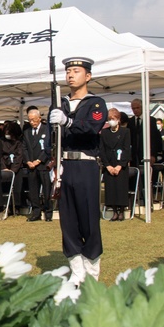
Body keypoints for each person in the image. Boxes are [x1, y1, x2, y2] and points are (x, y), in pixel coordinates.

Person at [48, 56, 107, 283]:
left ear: (88, 76)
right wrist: (52, 162)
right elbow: (51, 136)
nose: (71, 75)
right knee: (68, 219)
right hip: (64, 165)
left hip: (86, 165)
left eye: (76, 71)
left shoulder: (96, 103)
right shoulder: (59, 103)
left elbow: (93, 128)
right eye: (68, 71)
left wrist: (69, 122)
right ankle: (76, 269)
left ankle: (92, 269)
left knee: (89, 218)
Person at [99, 108, 132, 221]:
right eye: (109, 119)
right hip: (109, 164)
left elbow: (127, 149)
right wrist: (107, 166)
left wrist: (120, 165)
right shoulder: (104, 132)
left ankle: (122, 211)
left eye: (113, 119)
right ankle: (114, 211)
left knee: (121, 188)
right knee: (111, 189)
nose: (111, 121)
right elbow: (101, 150)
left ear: (118, 119)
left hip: (121, 165)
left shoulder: (125, 132)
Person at [23, 108, 52, 222]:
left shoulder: (46, 130)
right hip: (31, 166)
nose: (32, 122)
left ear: (39, 118)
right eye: (30, 120)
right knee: (33, 191)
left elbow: (48, 148)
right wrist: (28, 161)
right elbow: (24, 148)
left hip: (43, 165)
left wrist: (39, 160)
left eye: (34, 120)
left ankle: (48, 212)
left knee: (46, 190)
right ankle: (36, 213)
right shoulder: (26, 132)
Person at [2, 121, 26, 214]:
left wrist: (13, 170)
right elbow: (0, 155)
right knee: (5, 188)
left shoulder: (19, 143)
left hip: (16, 169)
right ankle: (5, 205)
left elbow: (19, 156)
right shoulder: (2, 142)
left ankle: (17, 206)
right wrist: (4, 168)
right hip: (5, 167)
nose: (7, 135)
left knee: (17, 188)